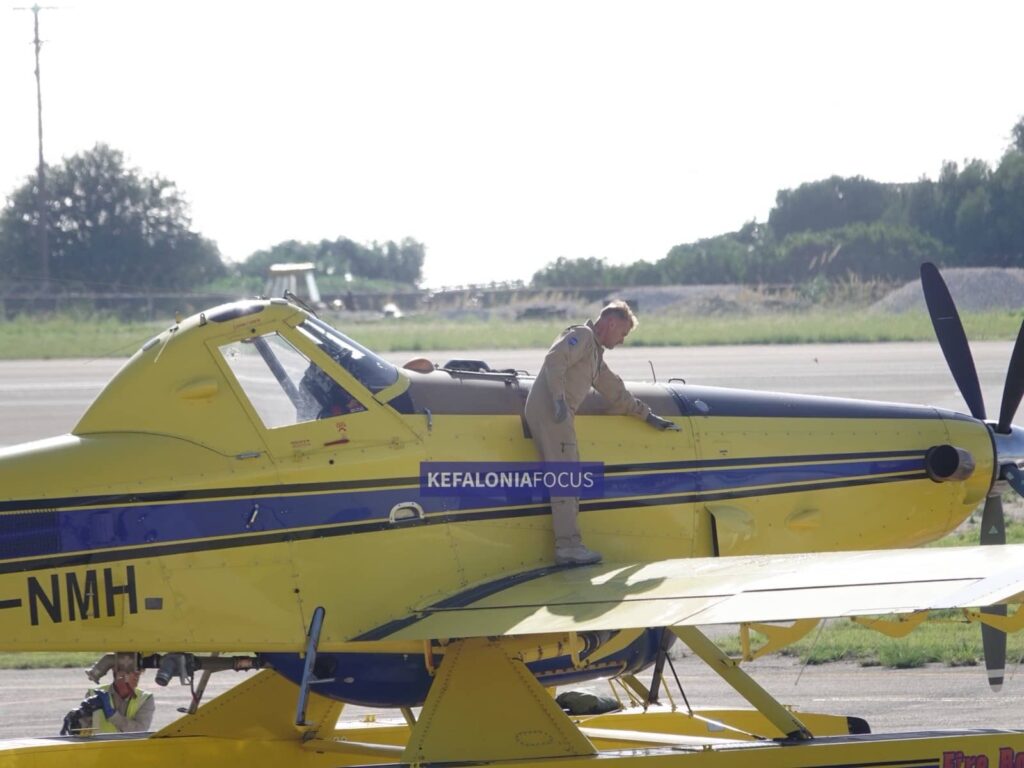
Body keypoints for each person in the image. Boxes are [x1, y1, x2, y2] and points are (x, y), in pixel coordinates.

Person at [525, 300, 681, 566]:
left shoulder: (594, 355)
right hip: (553, 413)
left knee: (569, 477)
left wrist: (647, 415)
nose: (622, 340)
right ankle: (568, 547)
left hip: (557, 414)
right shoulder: (582, 336)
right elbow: (554, 359)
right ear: (610, 323)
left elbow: (615, 391)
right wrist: (559, 400)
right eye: (623, 333)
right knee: (566, 480)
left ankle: (570, 545)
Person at [82, 653, 155, 734]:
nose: (137, 676)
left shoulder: (145, 698)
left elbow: (140, 730)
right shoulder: (94, 694)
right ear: (117, 672)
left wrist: (113, 716)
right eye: (131, 671)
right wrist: (77, 719)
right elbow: (82, 729)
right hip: (101, 743)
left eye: (139, 672)